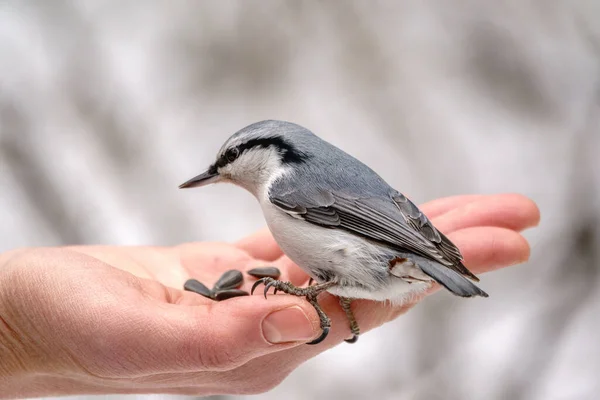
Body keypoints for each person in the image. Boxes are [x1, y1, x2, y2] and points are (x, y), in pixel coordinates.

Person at [0, 193, 539, 398]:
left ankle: (341, 286)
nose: (218, 173)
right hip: (405, 244)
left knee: (341, 273)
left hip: (383, 248)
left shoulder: (287, 186)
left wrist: (21, 340)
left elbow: (357, 221)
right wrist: (17, 335)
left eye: (232, 157)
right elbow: (391, 205)